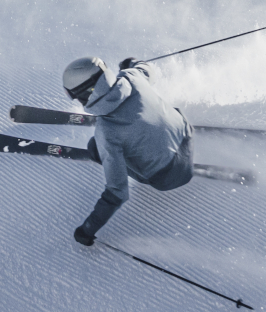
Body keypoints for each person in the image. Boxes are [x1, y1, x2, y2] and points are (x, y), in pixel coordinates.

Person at [62, 55, 194, 246]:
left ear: (82, 94)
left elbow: (118, 192)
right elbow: (147, 69)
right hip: (186, 137)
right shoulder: (131, 77)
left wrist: (87, 229)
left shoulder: (107, 132)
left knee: (95, 148)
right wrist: (131, 63)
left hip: (167, 178)